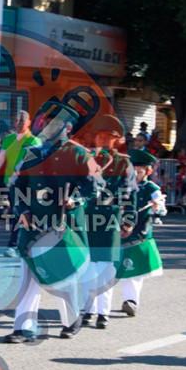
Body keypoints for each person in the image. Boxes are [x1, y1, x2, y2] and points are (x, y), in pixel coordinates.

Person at [4, 104, 99, 343]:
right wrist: (21, 209)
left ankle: (72, 317)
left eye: (53, 124)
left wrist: (75, 198)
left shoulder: (79, 154)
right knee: (29, 275)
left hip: (62, 223)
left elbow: (95, 186)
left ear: (66, 127)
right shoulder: (33, 153)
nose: (47, 127)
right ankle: (24, 327)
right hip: (34, 221)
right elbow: (17, 186)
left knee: (62, 275)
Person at [80, 115, 137, 329]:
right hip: (86, 219)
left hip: (110, 219)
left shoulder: (123, 162)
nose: (103, 141)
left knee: (105, 267)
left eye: (109, 137)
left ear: (116, 140)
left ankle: (103, 313)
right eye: (100, 136)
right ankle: (88, 310)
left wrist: (128, 220)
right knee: (87, 267)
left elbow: (129, 195)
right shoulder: (86, 159)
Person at [115, 149, 167, 316]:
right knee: (114, 270)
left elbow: (161, 209)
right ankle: (94, 306)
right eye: (133, 170)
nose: (135, 173)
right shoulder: (121, 186)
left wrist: (156, 206)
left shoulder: (152, 188)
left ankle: (131, 301)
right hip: (119, 233)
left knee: (134, 270)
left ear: (148, 171)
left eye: (140, 170)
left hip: (139, 235)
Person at [0, 110, 41, 257]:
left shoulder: (34, 141)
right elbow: (2, 156)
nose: (19, 124)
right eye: (17, 121)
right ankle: (21, 243)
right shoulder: (9, 139)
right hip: (11, 182)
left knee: (20, 213)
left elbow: (29, 163)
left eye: (22, 121)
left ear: (28, 123)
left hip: (27, 183)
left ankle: (15, 244)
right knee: (17, 212)